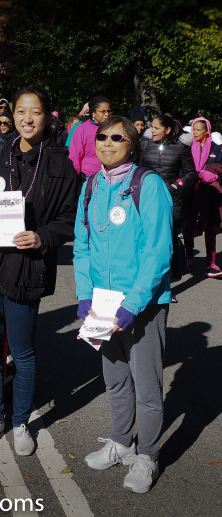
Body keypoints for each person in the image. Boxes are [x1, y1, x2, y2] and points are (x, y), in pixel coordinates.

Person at [0, 86, 78, 456]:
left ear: (48, 116)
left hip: (27, 268)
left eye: (35, 112)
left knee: (22, 351)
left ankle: (20, 422)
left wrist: (42, 237)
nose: (27, 118)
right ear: (12, 115)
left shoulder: (61, 165)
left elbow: (69, 219)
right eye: (21, 111)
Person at [73, 116, 173, 494]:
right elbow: (81, 246)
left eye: (118, 137)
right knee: (115, 380)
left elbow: (158, 251)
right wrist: (85, 296)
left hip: (142, 304)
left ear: (131, 144)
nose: (108, 142)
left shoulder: (148, 184)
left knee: (147, 387)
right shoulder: (91, 186)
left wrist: (131, 306)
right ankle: (120, 441)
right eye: (101, 136)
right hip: (102, 304)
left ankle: (147, 455)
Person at [139, 113, 196, 279]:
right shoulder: (145, 144)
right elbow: (136, 166)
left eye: (157, 128)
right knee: (147, 238)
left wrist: (177, 185)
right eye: (152, 128)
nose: (153, 131)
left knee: (168, 239)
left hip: (171, 198)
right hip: (147, 197)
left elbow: (190, 172)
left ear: (168, 129)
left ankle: (169, 279)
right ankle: (147, 279)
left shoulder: (180, 147)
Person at [182, 117, 222, 277]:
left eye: (198, 129)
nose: (195, 132)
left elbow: (220, 169)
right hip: (191, 191)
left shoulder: (216, 148)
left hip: (209, 193)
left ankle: (211, 263)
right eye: (194, 129)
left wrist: (214, 178)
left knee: (210, 227)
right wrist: (199, 174)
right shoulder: (188, 147)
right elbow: (184, 169)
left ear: (207, 131)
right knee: (189, 227)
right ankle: (189, 258)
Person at [68, 95, 112, 179]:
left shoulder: (114, 128)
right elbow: (75, 156)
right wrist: (74, 177)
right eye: (103, 111)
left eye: (109, 111)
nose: (107, 114)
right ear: (93, 113)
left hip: (111, 174)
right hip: (89, 176)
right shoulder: (82, 129)